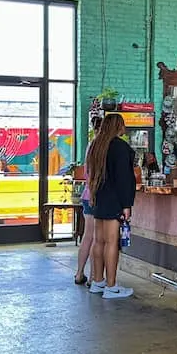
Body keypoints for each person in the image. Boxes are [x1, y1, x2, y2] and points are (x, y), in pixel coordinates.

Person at [86, 113, 136, 299]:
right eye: (122, 124)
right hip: (115, 199)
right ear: (117, 126)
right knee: (112, 242)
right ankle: (111, 286)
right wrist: (126, 204)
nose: (124, 128)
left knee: (99, 241)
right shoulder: (120, 148)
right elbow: (124, 179)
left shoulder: (96, 146)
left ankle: (97, 282)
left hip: (98, 197)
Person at [74, 115, 102, 285]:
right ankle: (93, 277)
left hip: (86, 194)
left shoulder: (90, 146)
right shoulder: (101, 147)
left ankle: (79, 274)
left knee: (87, 236)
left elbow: (86, 173)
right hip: (96, 196)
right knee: (97, 238)